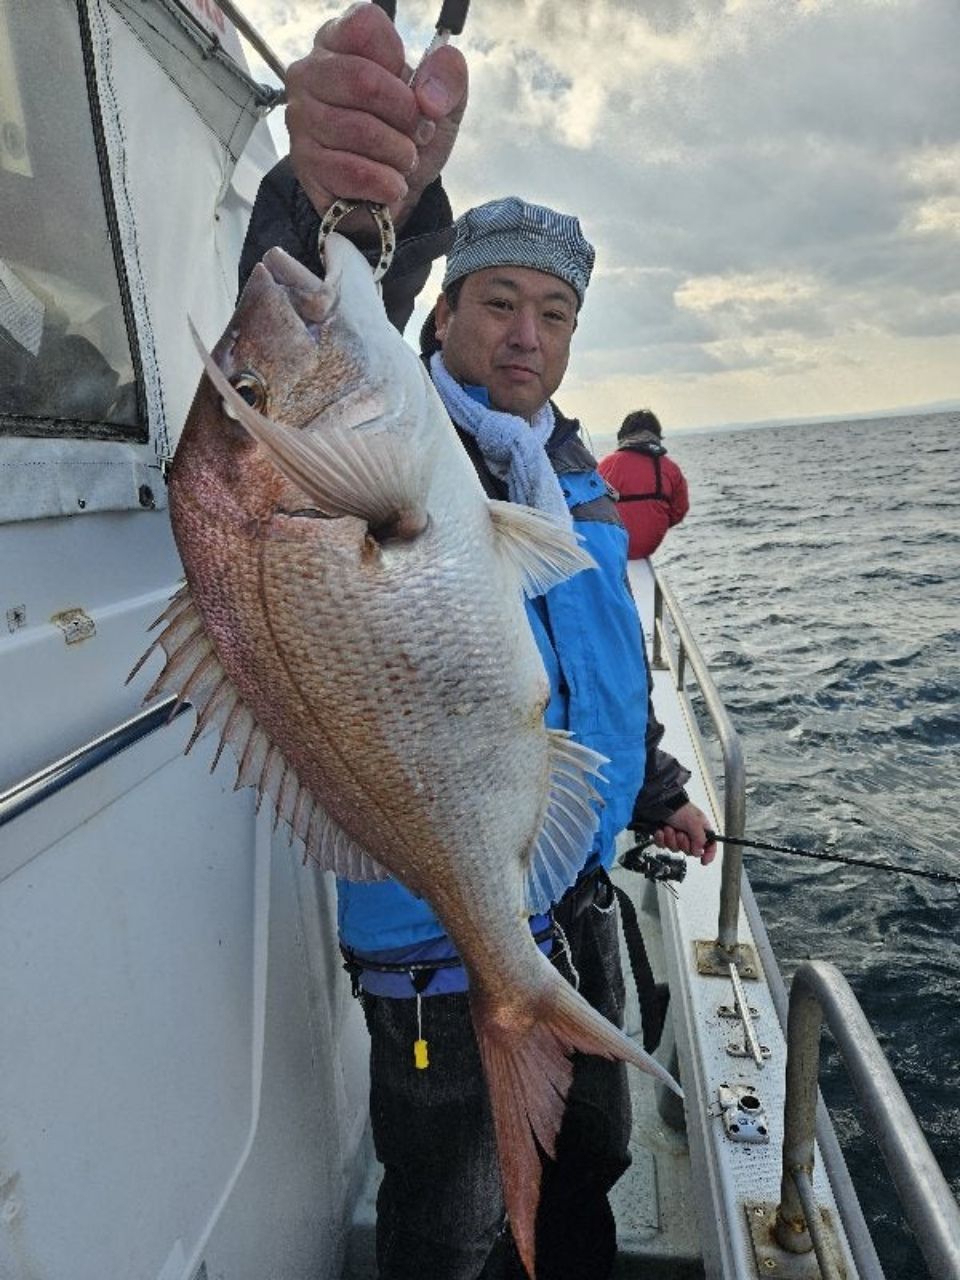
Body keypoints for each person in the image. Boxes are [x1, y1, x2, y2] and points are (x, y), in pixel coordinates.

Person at [239, 7, 716, 1277]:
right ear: (440, 315)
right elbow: (309, 333)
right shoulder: (398, 452)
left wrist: (659, 784)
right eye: (497, 302)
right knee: (446, 1225)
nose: (525, 336)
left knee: (590, 1174)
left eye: (553, 315)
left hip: (569, 900)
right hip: (433, 950)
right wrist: (345, 193)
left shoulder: (571, 473)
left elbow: (598, 660)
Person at [598, 410, 690, 559]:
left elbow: (587, 503)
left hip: (612, 545)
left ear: (623, 435)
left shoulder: (608, 465)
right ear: (657, 436)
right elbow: (679, 510)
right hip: (648, 545)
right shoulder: (671, 468)